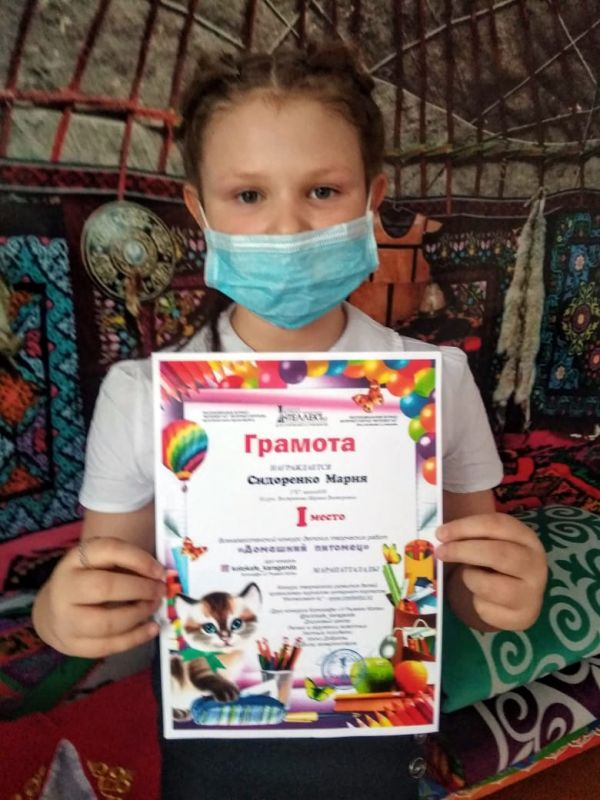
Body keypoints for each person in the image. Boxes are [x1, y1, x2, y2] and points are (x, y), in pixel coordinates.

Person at [32, 42, 547, 799]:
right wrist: (62, 613)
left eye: (322, 190)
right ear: (200, 211)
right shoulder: (141, 396)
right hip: (214, 746)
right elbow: (116, 589)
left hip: (376, 738)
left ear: (371, 200)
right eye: (248, 195)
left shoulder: (437, 382)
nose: (285, 227)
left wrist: (504, 592)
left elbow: (462, 587)